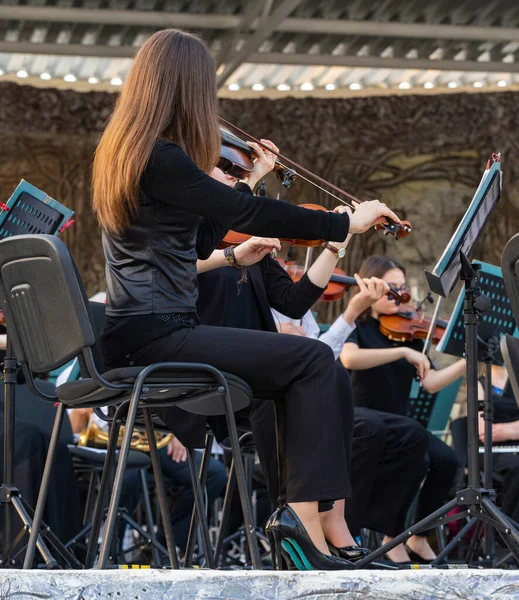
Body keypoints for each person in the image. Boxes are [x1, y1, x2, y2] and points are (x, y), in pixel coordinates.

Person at [91, 28, 402, 570]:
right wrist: (342, 219)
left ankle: (332, 526)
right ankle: (302, 524)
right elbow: (249, 220)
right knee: (312, 359)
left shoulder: (130, 153)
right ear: (186, 89)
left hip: (142, 330)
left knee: (312, 370)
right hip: (155, 333)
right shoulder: (160, 157)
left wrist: (250, 177)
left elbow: (203, 236)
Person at [340, 255, 464, 563]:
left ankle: (417, 538)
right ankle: (392, 539)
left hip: (400, 424)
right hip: (363, 424)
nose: (399, 294)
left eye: (402, 287)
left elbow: (431, 382)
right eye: (389, 288)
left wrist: (467, 361)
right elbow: (349, 360)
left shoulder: (407, 330)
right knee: (417, 458)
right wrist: (403, 352)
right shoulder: (359, 327)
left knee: (447, 460)